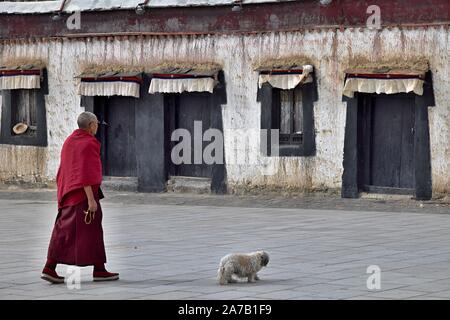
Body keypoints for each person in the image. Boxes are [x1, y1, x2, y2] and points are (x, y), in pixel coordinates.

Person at [41, 112, 119, 284]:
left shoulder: (70, 141)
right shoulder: (89, 143)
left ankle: (98, 269)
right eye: (96, 124)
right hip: (82, 196)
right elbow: (86, 173)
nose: (97, 126)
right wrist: (91, 200)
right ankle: (50, 267)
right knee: (72, 231)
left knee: (69, 230)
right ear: (91, 125)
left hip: (68, 192)